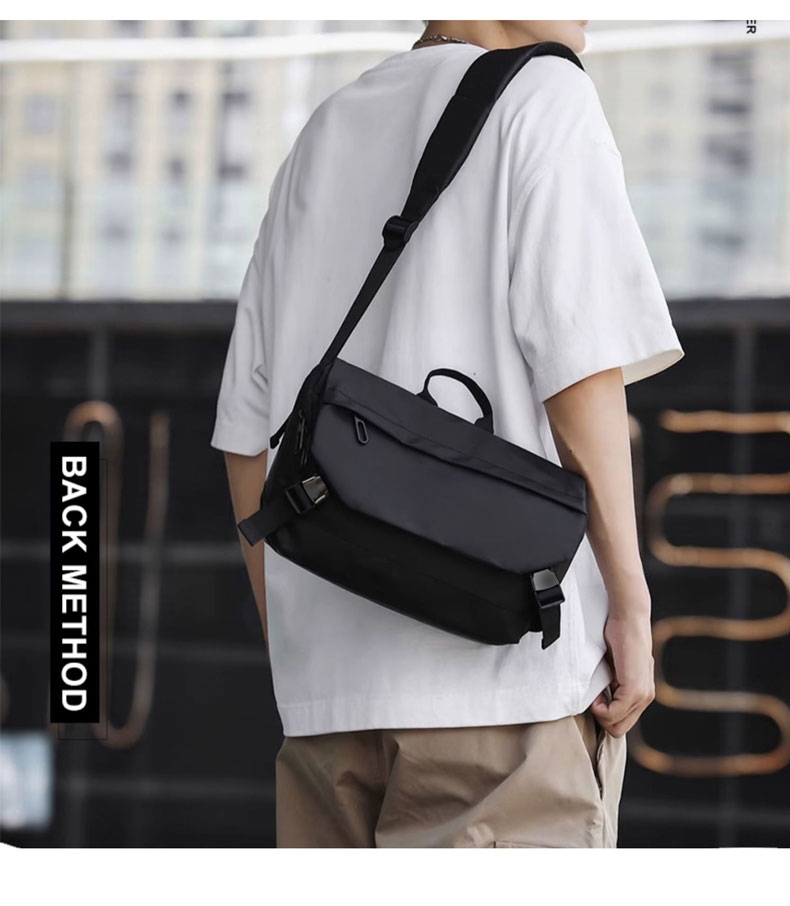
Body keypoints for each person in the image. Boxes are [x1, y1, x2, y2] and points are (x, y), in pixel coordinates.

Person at [210, 19, 685, 848]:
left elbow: (246, 435)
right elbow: (580, 373)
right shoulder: (544, 93)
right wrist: (631, 607)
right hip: (502, 697)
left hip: (326, 717)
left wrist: (299, 645)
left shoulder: (326, 126)